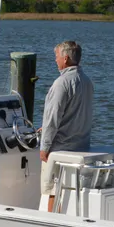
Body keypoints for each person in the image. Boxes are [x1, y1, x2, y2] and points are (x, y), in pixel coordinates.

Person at [40, 40, 94, 212]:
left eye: (56, 57)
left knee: (53, 191)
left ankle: (51, 223)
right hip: (81, 146)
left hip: (61, 147)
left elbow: (53, 118)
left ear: (65, 58)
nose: (55, 60)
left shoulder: (61, 83)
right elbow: (77, 113)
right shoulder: (86, 81)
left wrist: (44, 146)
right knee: (67, 188)